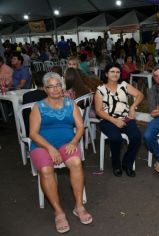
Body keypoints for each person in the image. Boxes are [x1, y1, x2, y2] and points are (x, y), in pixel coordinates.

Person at [29, 72, 92, 233]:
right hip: (42, 145)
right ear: (44, 88)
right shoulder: (38, 106)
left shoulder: (71, 104)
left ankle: (78, 206)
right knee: (46, 170)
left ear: (62, 86)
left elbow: (80, 127)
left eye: (58, 85)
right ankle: (58, 211)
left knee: (76, 163)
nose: (55, 89)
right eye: (51, 86)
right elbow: (33, 134)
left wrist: (73, 142)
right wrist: (50, 148)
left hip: (67, 144)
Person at [95, 63, 144, 177]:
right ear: (106, 74)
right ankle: (116, 165)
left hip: (126, 118)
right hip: (107, 120)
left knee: (136, 137)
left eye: (117, 72)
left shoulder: (124, 85)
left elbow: (140, 95)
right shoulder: (100, 90)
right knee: (115, 138)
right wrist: (114, 120)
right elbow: (99, 111)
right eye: (112, 72)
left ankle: (127, 163)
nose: (115, 74)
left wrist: (132, 106)